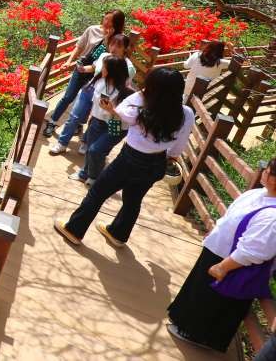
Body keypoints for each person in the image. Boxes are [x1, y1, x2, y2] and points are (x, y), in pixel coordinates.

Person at [54, 68, 194, 247]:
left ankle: (74, 230)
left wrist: (135, 97)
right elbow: (180, 142)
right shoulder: (186, 113)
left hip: (130, 159)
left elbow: (120, 111)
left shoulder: (140, 108)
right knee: (133, 200)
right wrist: (171, 157)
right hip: (157, 162)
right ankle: (118, 234)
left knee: (98, 192)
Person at [167, 158, 276, 352]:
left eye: (269, 172)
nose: (264, 173)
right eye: (267, 169)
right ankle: (184, 325)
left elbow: (255, 250)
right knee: (199, 292)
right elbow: (231, 215)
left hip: (232, 262)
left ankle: (198, 337)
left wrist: (223, 266)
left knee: (212, 302)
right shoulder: (257, 193)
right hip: (219, 250)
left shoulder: (273, 217)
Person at [49, 33, 135, 155]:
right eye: (112, 44)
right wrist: (83, 69)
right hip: (91, 89)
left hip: (108, 96)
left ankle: (86, 142)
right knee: (74, 116)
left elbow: (124, 87)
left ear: (125, 48)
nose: (114, 48)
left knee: (96, 120)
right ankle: (62, 143)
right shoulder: (104, 56)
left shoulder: (129, 67)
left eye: (119, 46)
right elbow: (95, 68)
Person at [44, 10, 126, 137]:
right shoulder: (92, 30)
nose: (106, 22)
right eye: (106, 19)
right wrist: (69, 61)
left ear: (117, 24)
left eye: (111, 21)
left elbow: (114, 56)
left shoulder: (118, 39)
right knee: (68, 97)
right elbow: (79, 46)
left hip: (98, 74)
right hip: (82, 69)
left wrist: (108, 38)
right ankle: (52, 121)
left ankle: (79, 124)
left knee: (89, 101)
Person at [67, 56, 132, 185]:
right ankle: (84, 174)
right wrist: (92, 117)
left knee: (96, 150)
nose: (101, 69)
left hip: (117, 126)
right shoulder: (100, 82)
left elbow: (129, 117)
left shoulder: (127, 93)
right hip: (98, 121)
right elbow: (96, 103)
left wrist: (112, 110)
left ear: (112, 71)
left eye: (104, 67)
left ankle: (94, 178)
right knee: (90, 149)